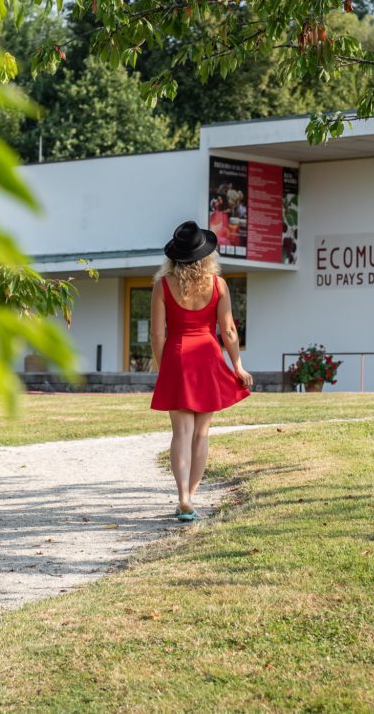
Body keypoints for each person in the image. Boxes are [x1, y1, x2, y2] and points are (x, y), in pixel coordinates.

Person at [149, 221, 254, 522]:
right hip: (207, 356)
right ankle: (191, 499)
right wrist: (237, 365)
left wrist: (163, 367)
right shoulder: (218, 285)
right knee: (201, 433)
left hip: (178, 356)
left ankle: (182, 496)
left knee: (180, 433)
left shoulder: (162, 285)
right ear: (206, 255)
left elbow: (158, 336)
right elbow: (229, 330)